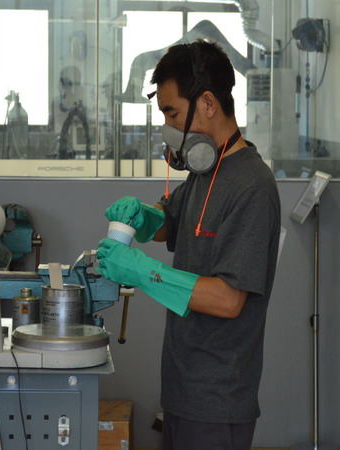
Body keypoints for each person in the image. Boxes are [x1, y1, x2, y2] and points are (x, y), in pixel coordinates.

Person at [96, 39, 281, 450]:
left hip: (218, 398)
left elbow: (229, 300)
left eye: (172, 113)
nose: (168, 127)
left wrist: (141, 271)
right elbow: (171, 222)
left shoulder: (251, 187)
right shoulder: (205, 170)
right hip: (182, 386)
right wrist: (144, 216)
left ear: (209, 103)